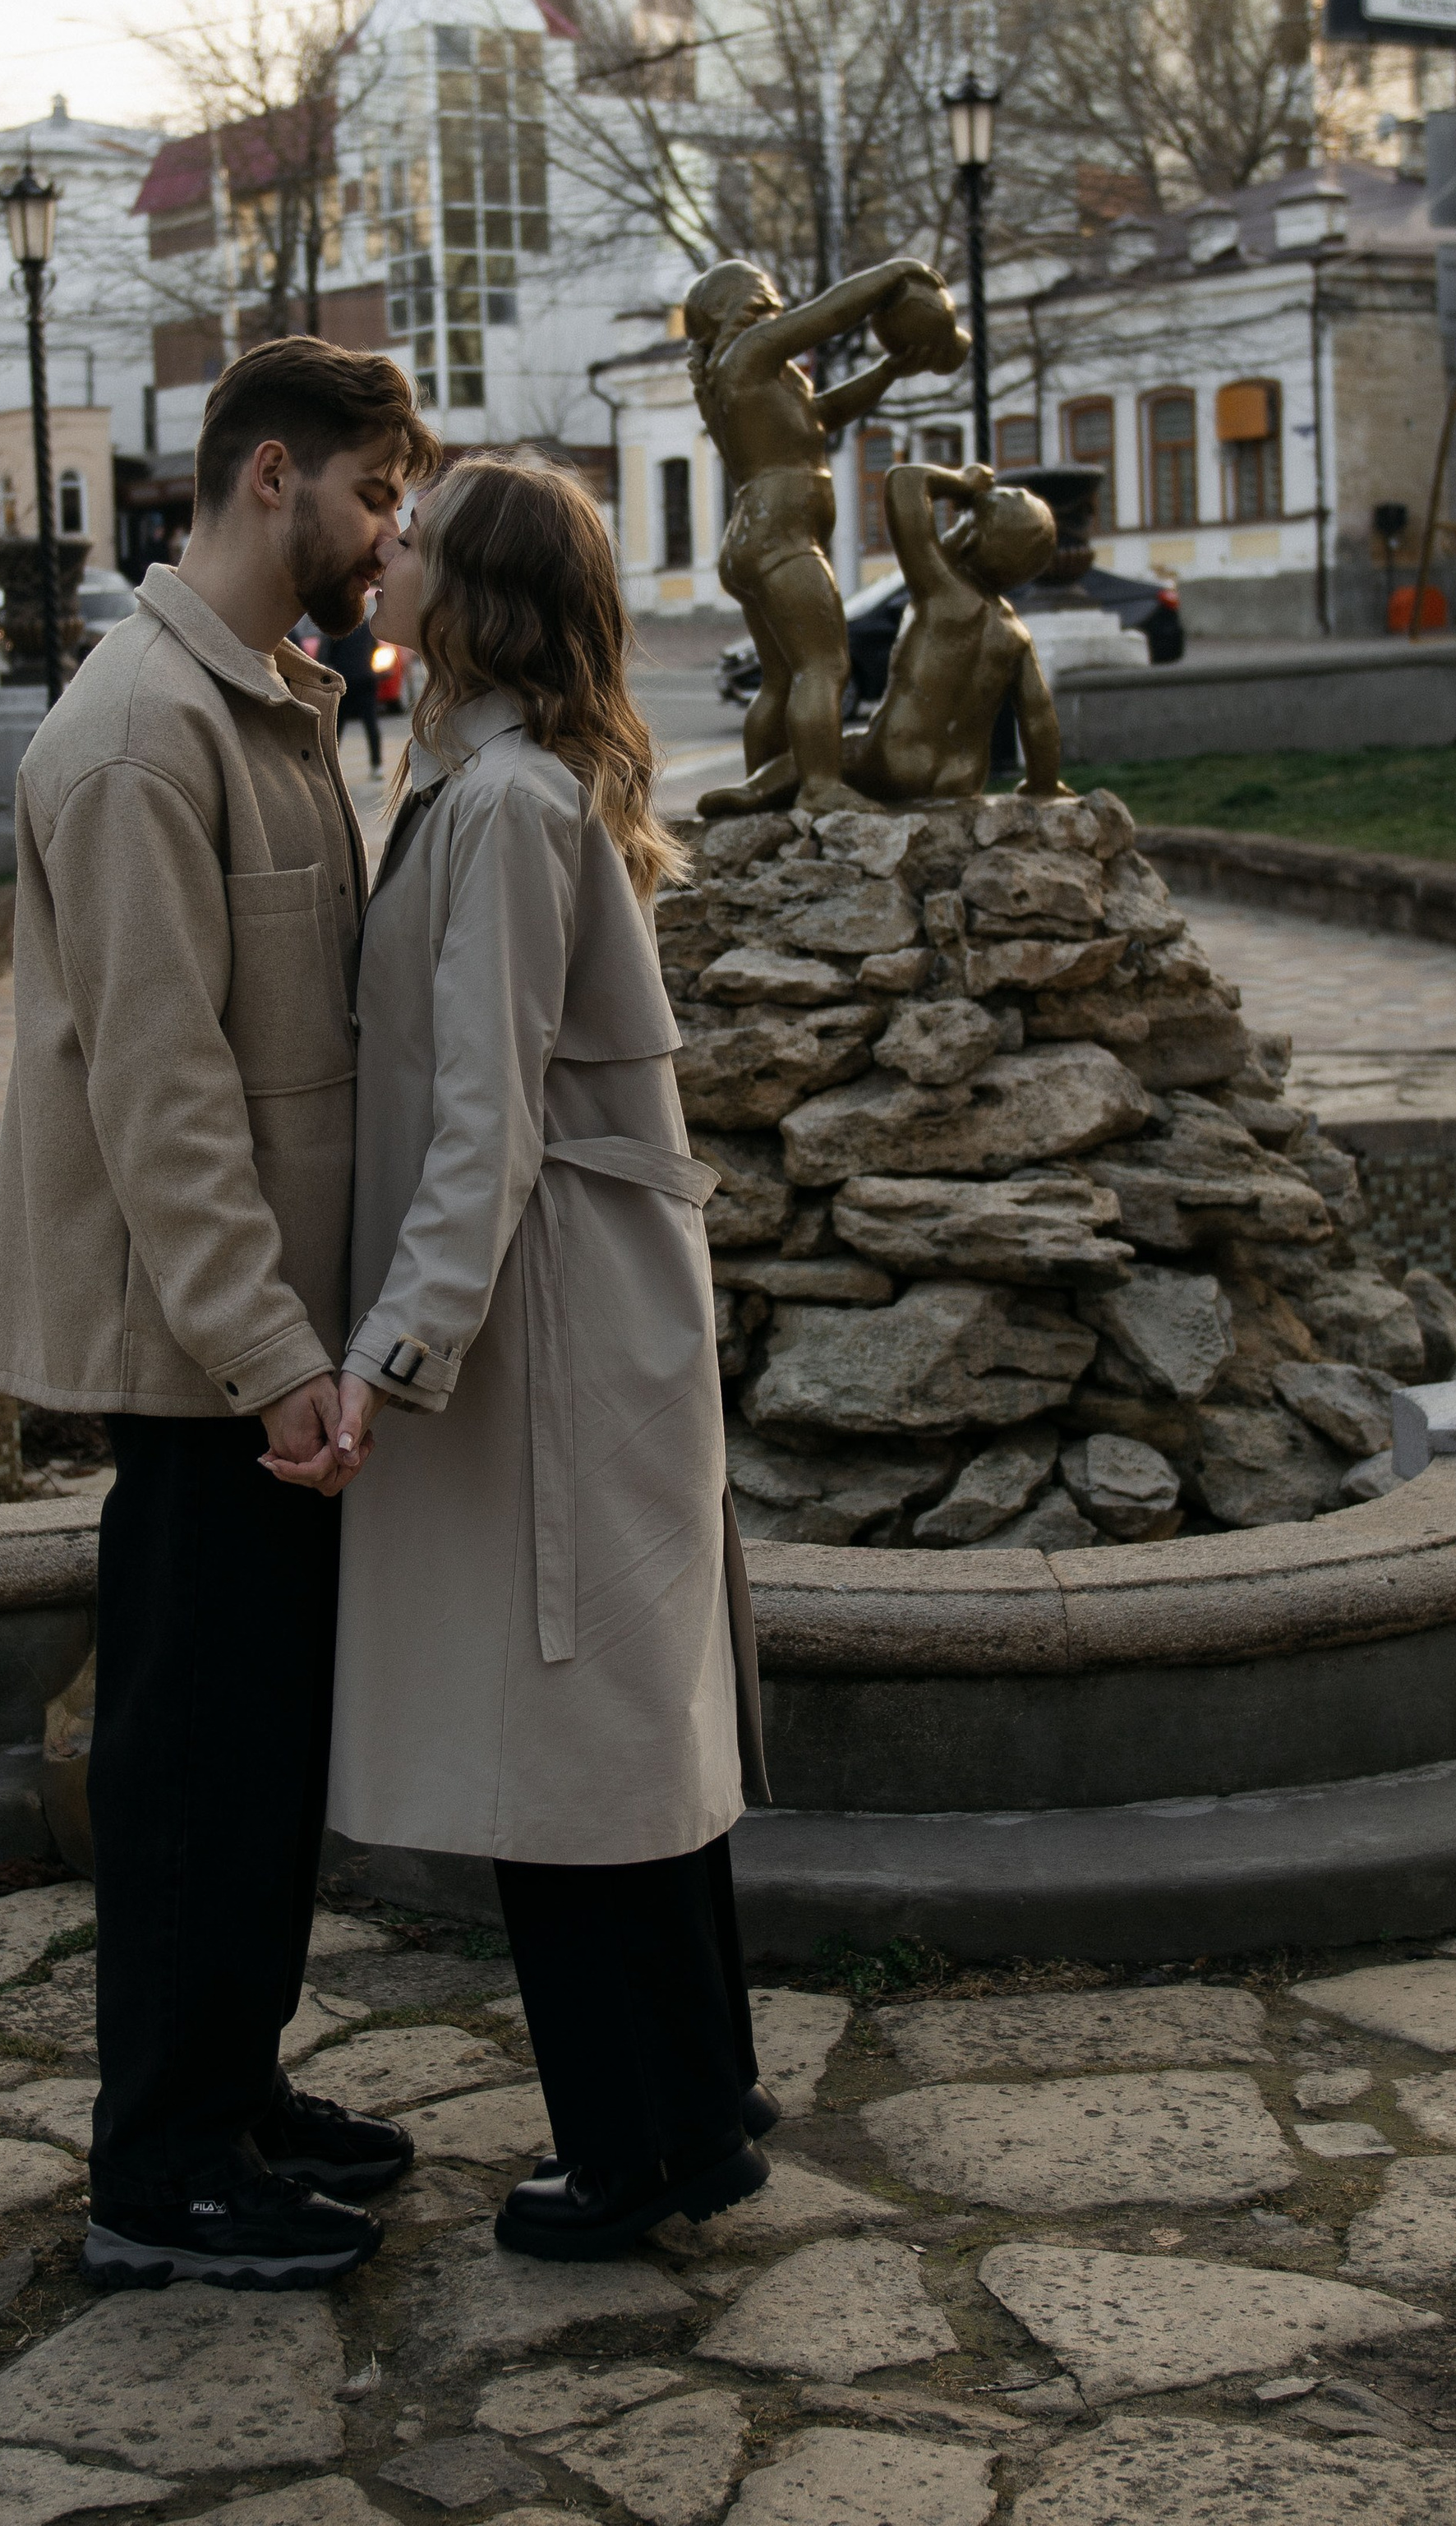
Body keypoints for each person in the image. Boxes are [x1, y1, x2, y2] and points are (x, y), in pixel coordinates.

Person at [0, 335, 444, 2293]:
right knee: (188, 1761)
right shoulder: (132, 737)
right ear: (271, 477)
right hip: (201, 1357)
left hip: (262, 1344)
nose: (385, 531)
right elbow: (161, 1102)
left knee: (254, 1750)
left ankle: (232, 2091)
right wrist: (275, 1358)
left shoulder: (264, 703)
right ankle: (159, 2163)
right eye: (369, 494)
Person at [291, 453, 776, 2261]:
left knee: (563, 1755)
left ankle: (642, 2151)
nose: (381, 553)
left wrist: (386, 1357)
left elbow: (482, 1126)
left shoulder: (496, 804)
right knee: (616, 1743)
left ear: (474, 592)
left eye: (412, 539)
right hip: (578, 1306)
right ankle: (696, 2106)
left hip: (543, 1331)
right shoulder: (494, 776)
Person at [683, 255, 965, 818]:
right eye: (763, 297)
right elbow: (830, 313)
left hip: (756, 536)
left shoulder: (750, 375)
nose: (777, 306)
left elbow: (821, 415)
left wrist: (888, 370)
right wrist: (895, 274)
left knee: (782, 677)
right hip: (779, 534)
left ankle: (766, 788)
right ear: (735, 308)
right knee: (825, 665)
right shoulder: (748, 355)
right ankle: (819, 786)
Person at [844, 459, 1067, 800]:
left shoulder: (943, 593)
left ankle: (756, 790)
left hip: (895, 760)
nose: (947, 531)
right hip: (962, 777)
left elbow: (904, 481)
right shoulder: (1014, 634)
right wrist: (1044, 783)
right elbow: (1038, 717)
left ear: (971, 539)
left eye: (962, 520)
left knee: (819, 755)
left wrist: (962, 483)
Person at [318, 613, 384, 775]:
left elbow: (325, 654)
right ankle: (377, 765)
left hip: (343, 681)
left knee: (336, 726)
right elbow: (374, 649)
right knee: (371, 724)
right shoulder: (367, 625)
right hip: (365, 679)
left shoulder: (336, 624)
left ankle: (331, 767)